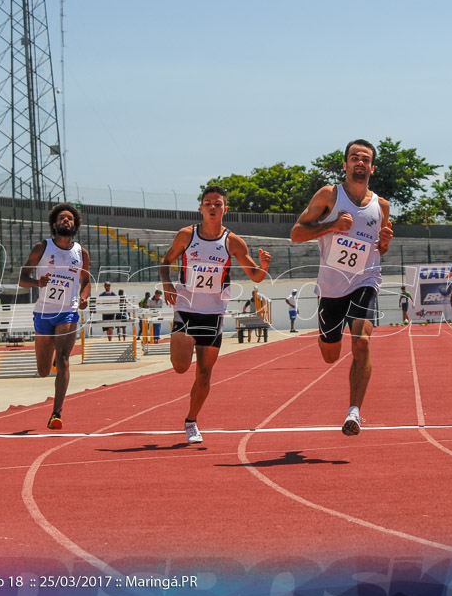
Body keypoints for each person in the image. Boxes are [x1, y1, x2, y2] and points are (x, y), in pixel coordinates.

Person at [290, 139, 393, 436]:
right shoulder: (329, 195)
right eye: (354, 157)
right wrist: (331, 226)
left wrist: (384, 243)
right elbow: (296, 233)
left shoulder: (381, 205)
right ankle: (325, 336)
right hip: (332, 288)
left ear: (372, 167)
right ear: (345, 164)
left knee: (362, 341)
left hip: (366, 280)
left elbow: (379, 249)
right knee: (330, 355)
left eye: (365, 159)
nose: (359, 162)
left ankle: (354, 411)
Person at [160, 185, 272, 444]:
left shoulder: (232, 242)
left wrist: (264, 265)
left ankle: (191, 421)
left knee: (205, 374)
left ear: (225, 209)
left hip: (213, 312)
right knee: (179, 367)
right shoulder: (186, 235)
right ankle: (186, 340)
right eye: (208, 203)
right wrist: (166, 283)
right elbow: (166, 261)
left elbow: (255, 276)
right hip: (186, 307)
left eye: (217, 203)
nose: (212, 207)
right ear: (201, 208)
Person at [19, 203, 91, 430]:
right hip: (43, 313)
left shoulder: (81, 253)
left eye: (70, 218)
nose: (66, 221)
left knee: (63, 358)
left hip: (67, 312)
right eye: (62, 218)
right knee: (42, 371)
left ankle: (56, 413)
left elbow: (86, 280)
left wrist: (83, 296)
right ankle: (49, 361)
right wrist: (36, 282)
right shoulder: (42, 247)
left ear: (75, 224)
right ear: (54, 223)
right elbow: (22, 278)